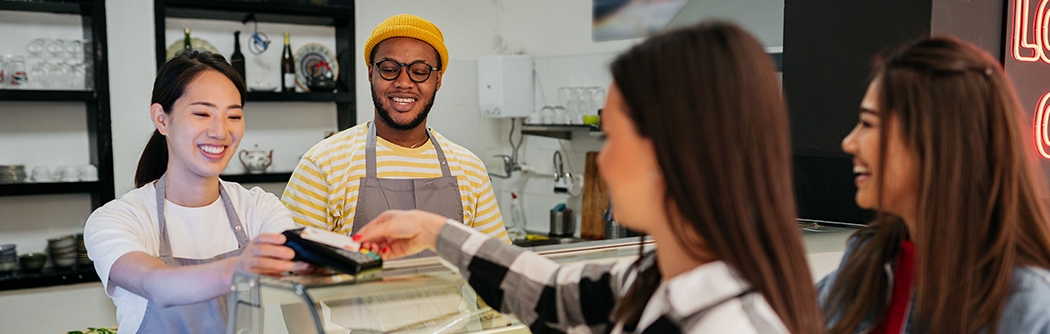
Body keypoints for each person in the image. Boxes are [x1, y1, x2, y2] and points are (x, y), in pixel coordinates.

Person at [354, 21, 825, 333]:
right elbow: (550, 294)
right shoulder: (652, 279)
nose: (602, 162)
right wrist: (432, 230)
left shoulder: (726, 324)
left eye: (613, 138)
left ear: (675, 154)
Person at [818, 37, 1050, 333]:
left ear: (935, 143)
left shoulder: (1029, 307)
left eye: (868, 124)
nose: (848, 143)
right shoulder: (867, 262)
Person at [84, 51, 304, 333]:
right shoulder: (118, 219)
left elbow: (299, 266)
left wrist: (356, 250)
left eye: (233, 115)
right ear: (161, 119)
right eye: (202, 113)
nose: (221, 131)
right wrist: (242, 267)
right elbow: (157, 285)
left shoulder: (259, 207)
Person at [282, 13, 509, 247]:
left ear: (438, 80)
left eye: (419, 71)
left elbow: (496, 266)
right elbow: (289, 267)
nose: (403, 83)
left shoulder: (470, 169)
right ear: (370, 73)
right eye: (389, 69)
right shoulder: (324, 164)